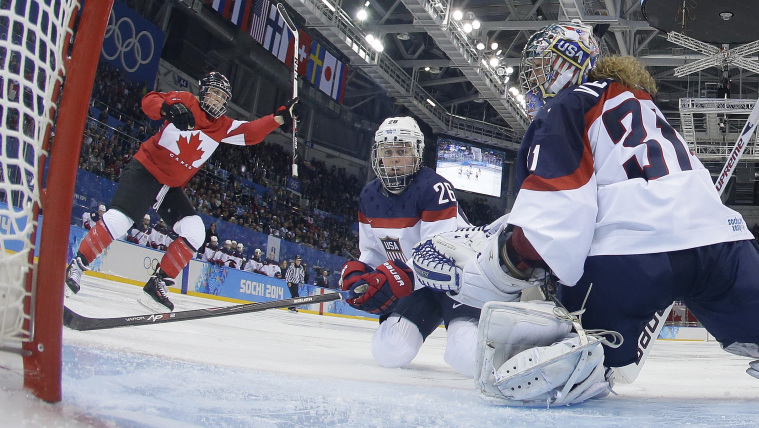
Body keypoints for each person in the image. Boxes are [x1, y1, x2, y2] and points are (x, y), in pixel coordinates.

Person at [411, 21, 759, 405]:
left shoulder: (568, 105)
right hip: (720, 241)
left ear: (569, 64)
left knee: (584, 351)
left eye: (541, 66)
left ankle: (593, 350)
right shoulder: (642, 104)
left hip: (630, 255)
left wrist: (498, 270)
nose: (534, 78)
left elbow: (553, 222)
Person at [64, 71, 297, 311]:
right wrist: (167, 108)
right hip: (146, 171)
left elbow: (250, 132)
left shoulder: (223, 126)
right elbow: (149, 101)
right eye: (214, 93)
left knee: (195, 232)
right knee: (119, 220)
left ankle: (156, 285)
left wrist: (278, 118)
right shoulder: (186, 100)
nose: (216, 100)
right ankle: (76, 266)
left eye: (221, 97)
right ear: (203, 92)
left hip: (170, 187)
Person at [338, 116, 480, 377]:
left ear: (416, 153)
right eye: (388, 152)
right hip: (420, 284)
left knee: (467, 355)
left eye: (402, 151)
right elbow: (371, 250)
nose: (394, 159)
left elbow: (439, 255)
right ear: (377, 155)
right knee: (390, 351)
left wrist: (395, 278)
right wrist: (360, 272)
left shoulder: (434, 188)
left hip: (459, 284)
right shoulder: (369, 195)